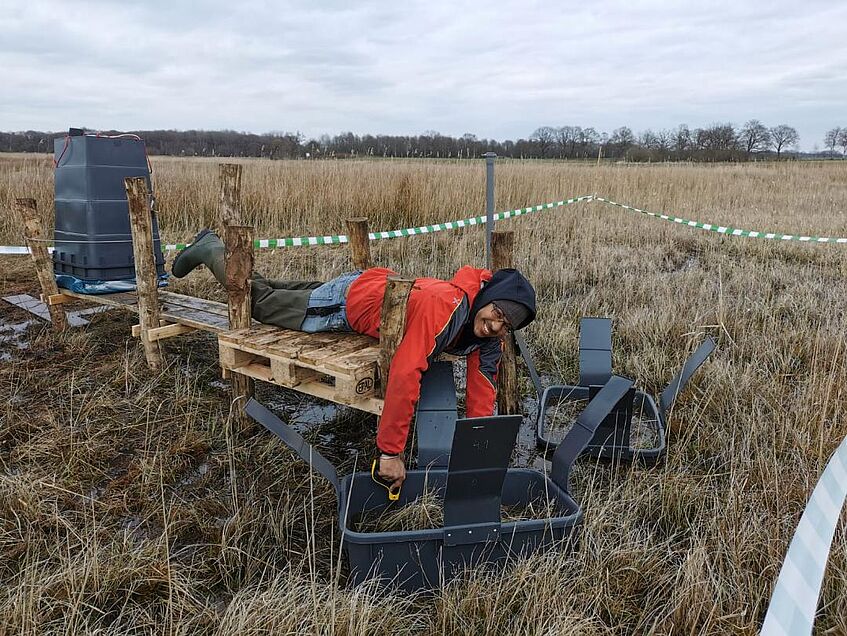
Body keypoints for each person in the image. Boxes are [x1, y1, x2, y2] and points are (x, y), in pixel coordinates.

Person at [172, 229, 536, 488]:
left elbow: (482, 391)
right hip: (350, 304)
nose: (495, 326)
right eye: (497, 314)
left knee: (270, 291)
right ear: (489, 297)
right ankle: (210, 248)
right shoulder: (446, 307)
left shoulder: (488, 335)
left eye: (506, 325)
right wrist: (390, 452)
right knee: (261, 303)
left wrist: (480, 450)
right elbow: (406, 374)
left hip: (373, 286)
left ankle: (220, 253)